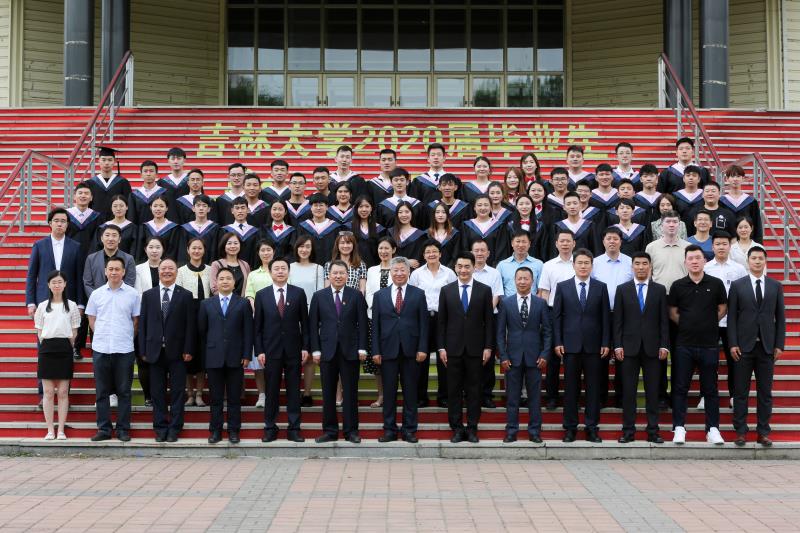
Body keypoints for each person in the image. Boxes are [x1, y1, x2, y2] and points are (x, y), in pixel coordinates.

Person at [668, 245, 728, 445]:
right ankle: (679, 427)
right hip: (684, 344)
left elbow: (722, 307)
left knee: (710, 389)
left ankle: (712, 429)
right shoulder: (678, 285)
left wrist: (708, 322)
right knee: (680, 388)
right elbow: (673, 312)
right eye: (690, 258)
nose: (694, 261)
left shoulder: (716, 284)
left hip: (709, 344)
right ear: (685, 262)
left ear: (704, 261)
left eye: (698, 258)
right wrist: (688, 324)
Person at [728, 246, 785, 447]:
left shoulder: (775, 286)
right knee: (740, 392)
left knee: (765, 393)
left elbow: (781, 318)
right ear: (748, 261)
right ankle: (740, 432)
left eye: (761, 258)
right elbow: (732, 317)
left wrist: (779, 344)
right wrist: (732, 343)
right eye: (754, 258)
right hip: (743, 347)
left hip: (767, 347)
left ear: (765, 261)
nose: (757, 261)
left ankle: (763, 432)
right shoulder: (738, 285)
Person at [553, 248, 611, 443]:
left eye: (587, 263)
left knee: (593, 389)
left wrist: (605, 342)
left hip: (594, 346)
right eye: (580, 263)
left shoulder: (601, 287)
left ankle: (591, 427)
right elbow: (557, 317)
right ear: (574, 265)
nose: (583, 266)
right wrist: (558, 341)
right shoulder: (563, 287)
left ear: (592, 266)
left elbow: (605, 317)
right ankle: (570, 428)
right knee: (571, 389)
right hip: (570, 346)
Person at [613, 252, 670, 444]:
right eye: (637, 264)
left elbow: (664, 320)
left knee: (652, 392)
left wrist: (664, 345)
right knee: (628, 392)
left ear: (650, 266)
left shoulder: (659, 290)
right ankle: (628, 431)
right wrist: (617, 345)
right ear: (632, 267)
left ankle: (653, 431)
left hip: (653, 348)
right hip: (628, 348)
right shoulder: (622, 289)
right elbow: (618, 320)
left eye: (645, 263)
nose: (641, 267)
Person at [437, 252, 494, 443]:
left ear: (473, 267)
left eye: (467, 266)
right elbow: (441, 322)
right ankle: (456, 428)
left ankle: (471, 428)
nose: (463, 270)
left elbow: (489, 321)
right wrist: (441, 348)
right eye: (460, 266)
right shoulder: (446, 291)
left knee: (474, 390)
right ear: (455, 268)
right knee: (453, 391)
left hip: (476, 349)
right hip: (452, 350)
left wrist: (488, 347)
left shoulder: (484, 290)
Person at [309, 260, 369, 443]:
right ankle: (330, 431)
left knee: (351, 392)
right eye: (335, 273)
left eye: (342, 273)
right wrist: (315, 350)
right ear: (329, 275)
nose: (338, 276)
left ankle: (351, 431)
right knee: (328, 393)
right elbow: (313, 326)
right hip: (326, 351)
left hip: (350, 350)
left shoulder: (356, 295)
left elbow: (363, 323)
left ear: (347, 275)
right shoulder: (319, 296)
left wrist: (362, 347)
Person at [371, 256, 428, 443]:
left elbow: (424, 324)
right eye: (396, 270)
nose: (399, 273)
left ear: (409, 272)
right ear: (390, 272)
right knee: (389, 393)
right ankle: (389, 430)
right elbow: (376, 325)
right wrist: (375, 350)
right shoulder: (379, 296)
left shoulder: (418, 294)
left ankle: (409, 430)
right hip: (387, 351)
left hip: (411, 351)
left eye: (403, 270)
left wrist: (423, 348)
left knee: (410, 393)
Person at [138, 259, 195, 442]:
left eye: (171, 268)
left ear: (176, 272)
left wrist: (188, 349)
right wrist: (143, 349)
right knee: (157, 393)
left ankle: (175, 428)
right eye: (164, 268)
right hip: (154, 352)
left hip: (178, 353)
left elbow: (190, 326)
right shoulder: (148, 295)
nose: (167, 271)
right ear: (158, 271)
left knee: (178, 392)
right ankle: (160, 428)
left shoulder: (185, 295)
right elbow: (143, 324)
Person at [85, 257, 140, 442]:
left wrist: (125, 336)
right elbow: (92, 320)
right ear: (105, 271)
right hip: (101, 348)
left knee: (124, 391)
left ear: (123, 272)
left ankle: (123, 429)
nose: (114, 272)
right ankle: (104, 429)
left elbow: (136, 321)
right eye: (111, 269)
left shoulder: (133, 294)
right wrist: (102, 335)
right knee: (102, 392)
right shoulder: (96, 294)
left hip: (124, 349)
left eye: (117, 269)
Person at [254, 257, 309, 443]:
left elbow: (305, 323)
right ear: (270, 272)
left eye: (283, 268)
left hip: (294, 350)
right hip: (270, 351)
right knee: (271, 391)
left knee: (294, 391)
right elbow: (257, 327)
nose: (280, 271)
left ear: (288, 271)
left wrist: (305, 347)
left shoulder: (298, 293)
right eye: (276, 268)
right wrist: (259, 350)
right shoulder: (262, 295)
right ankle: (270, 428)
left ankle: (294, 429)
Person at [496, 267, 552, 443]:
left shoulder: (541, 303)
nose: (522, 282)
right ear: (514, 280)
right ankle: (511, 431)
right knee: (512, 397)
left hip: (535, 357)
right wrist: (503, 356)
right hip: (512, 358)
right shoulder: (506, 303)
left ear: (532, 281)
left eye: (525, 278)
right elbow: (500, 333)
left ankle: (534, 431)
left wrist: (545, 354)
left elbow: (548, 332)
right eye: (519, 278)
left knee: (535, 398)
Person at [198, 267, 253, 444]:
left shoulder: (243, 303)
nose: (225, 281)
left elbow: (248, 331)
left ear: (234, 282)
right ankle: (215, 430)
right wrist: (204, 357)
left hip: (236, 357)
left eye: (228, 278)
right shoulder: (206, 304)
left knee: (234, 397)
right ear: (216, 282)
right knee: (215, 398)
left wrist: (247, 354)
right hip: (213, 356)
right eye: (221, 278)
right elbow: (202, 332)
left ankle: (233, 430)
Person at [26, 208, 85, 360]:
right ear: (50, 223)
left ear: (67, 225)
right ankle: (43, 375)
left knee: (68, 336)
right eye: (56, 221)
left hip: (69, 299)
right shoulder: (39, 245)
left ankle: (65, 373)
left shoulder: (76, 246)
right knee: (43, 338)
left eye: (63, 221)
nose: (60, 224)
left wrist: (80, 304)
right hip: (44, 299)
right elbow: (31, 275)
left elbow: (79, 277)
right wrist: (31, 302)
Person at [645, 209, 690, 408]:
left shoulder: (688, 247)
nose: (671, 225)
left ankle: (679, 394)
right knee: (659, 351)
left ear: (679, 225)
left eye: (675, 222)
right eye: (668, 222)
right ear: (661, 225)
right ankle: (661, 394)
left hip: (682, 303)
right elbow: (647, 275)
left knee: (680, 352)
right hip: (658, 301)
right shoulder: (652, 247)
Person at [409, 240, 457, 409]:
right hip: (422, 319)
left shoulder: (449, 273)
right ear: (423, 255)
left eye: (434, 251)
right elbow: (411, 297)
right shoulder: (416, 274)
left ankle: (444, 396)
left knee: (444, 359)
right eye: (428, 252)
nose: (431, 254)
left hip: (443, 319)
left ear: (440, 254)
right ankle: (420, 397)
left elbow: (454, 296)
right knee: (421, 359)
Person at [703, 231, 748, 410]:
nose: (721, 247)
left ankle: (734, 395)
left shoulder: (739, 269)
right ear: (712, 246)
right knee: (708, 361)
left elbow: (744, 295)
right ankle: (705, 395)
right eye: (718, 244)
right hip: (710, 322)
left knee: (734, 360)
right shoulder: (706, 268)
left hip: (732, 322)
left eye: (724, 244)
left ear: (730, 246)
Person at [34, 271, 81, 440]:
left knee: (62, 392)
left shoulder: (72, 306)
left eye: (60, 282)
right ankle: (50, 430)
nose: (57, 285)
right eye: (54, 282)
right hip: (47, 349)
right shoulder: (42, 306)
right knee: (48, 392)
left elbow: (74, 331)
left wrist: (67, 345)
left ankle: (60, 429)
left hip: (64, 348)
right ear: (48, 285)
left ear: (65, 284)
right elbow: (39, 331)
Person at [592, 227, 633, 407]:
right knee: (600, 356)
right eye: (608, 238)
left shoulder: (630, 262)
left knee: (622, 357)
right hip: (600, 315)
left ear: (621, 241)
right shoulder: (595, 263)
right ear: (603, 241)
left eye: (615, 238)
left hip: (624, 316)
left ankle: (621, 398)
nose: (612, 242)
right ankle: (600, 397)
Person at [537, 229, 576, 410]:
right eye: (562, 241)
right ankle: (552, 397)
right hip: (553, 313)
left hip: (575, 314)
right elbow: (544, 292)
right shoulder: (549, 265)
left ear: (574, 243)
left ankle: (572, 397)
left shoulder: (580, 262)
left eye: (568, 241)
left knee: (573, 358)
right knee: (552, 359)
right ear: (556, 244)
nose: (565, 244)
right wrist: (545, 317)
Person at [288, 236, 326, 407]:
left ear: (312, 249)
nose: (304, 250)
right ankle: (293, 391)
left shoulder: (318, 268)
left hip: (312, 315)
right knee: (294, 356)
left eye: (308, 246)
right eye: (301, 246)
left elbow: (319, 294)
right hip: (292, 315)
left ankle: (307, 393)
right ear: (296, 248)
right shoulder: (289, 267)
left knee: (309, 356)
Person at [175, 238, 212, 409]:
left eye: (200, 248)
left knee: (202, 357)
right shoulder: (181, 271)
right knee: (188, 355)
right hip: (187, 316)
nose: (196, 251)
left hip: (206, 315)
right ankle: (189, 394)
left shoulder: (210, 270)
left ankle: (199, 394)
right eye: (193, 248)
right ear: (188, 250)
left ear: (204, 250)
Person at [469, 240, 505, 408]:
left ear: (488, 253)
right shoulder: (465, 271)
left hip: (489, 319)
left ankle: (486, 395)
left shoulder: (494, 273)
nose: (479, 253)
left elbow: (497, 295)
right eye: (476, 250)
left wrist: (484, 313)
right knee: (469, 357)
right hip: (468, 321)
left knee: (488, 359)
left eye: (482, 250)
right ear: (471, 253)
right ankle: (470, 395)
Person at [364, 236, 396, 408]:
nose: (383, 251)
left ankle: (393, 395)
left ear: (393, 250)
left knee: (393, 358)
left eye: (387, 248)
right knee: (378, 360)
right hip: (373, 318)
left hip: (394, 319)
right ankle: (381, 395)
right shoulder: (371, 270)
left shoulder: (399, 269)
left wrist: (388, 310)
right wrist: (377, 309)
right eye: (381, 248)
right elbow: (369, 292)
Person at [133, 236, 164, 407]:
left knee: (162, 360)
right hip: (144, 317)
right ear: (145, 249)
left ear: (163, 250)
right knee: (143, 359)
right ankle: (148, 396)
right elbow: (137, 294)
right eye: (151, 247)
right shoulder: (138, 269)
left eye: (157, 247)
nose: (154, 250)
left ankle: (160, 394)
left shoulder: (168, 267)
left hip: (166, 318)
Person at [244, 240, 275, 409]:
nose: (266, 253)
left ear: (273, 251)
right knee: (258, 360)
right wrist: (257, 310)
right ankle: (262, 394)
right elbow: (249, 295)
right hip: (259, 319)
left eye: (268, 249)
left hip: (279, 321)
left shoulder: (280, 270)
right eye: (263, 250)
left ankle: (273, 392)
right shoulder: (253, 274)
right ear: (258, 253)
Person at [83, 146, 132, 222]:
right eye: (103, 160)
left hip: (117, 223)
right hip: (95, 223)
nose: (106, 163)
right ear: (98, 161)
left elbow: (128, 205)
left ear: (114, 161)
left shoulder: (123, 183)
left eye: (110, 160)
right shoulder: (90, 183)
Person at [461, 195, 511, 267]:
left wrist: (495, 268)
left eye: (486, 205)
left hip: (493, 268)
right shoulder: (466, 225)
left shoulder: (499, 225)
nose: (483, 208)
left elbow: (501, 250)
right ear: (474, 208)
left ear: (491, 207)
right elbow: (465, 248)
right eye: (479, 205)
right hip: (472, 268)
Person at [297, 193, 342, 266]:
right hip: (308, 266)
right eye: (315, 205)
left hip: (330, 267)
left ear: (327, 207)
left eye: (321, 205)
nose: (318, 208)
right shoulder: (303, 227)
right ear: (311, 208)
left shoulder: (335, 227)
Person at [720, 164, 762, 242]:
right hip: (726, 242)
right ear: (727, 179)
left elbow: (757, 225)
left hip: (747, 242)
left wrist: (758, 244)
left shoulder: (751, 201)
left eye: (738, 176)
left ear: (743, 178)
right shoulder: (721, 201)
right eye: (732, 176)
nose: (735, 179)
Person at [176, 194, 222, 265]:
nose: (201, 208)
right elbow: (182, 252)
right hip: (189, 268)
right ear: (193, 208)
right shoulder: (185, 228)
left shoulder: (215, 228)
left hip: (209, 267)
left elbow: (215, 252)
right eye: (198, 205)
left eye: (204, 206)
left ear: (209, 209)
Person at [497, 231, 543, 297]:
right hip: (508, 302)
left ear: (529, 244)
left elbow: (541, 290)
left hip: (532, 302)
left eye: (524, 242)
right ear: (512, 243)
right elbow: (498, 290)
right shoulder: (502, 265)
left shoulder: (539, 264)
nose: (521, 245)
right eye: (518, 241)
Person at [135, 196, 180, 262]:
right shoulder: (144, 227)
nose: (158, 209)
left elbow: (173, 250)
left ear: (166, 208)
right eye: (155, 206)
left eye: (161, 206)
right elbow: (140, 249)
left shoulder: (173, 228)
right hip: (147, 264)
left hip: (166, 265)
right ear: (151, 207)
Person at [66, 183, 102, 260]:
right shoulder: (66, 215)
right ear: (74, 196)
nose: (83, 195)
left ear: (91, 198)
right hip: (69, 254)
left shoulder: (96, 216)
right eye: (80, 193)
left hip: (90, 256)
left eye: (86, 193)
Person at [223, 197, 260, 267]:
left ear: (248, 210)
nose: (240, 211)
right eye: (237, 208)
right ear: (232, 211)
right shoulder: (225, 230)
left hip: (251, 268)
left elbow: (256, 255)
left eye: (243, 208)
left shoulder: (255, 231)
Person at [209, 233, 251, 297]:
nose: (232, 246)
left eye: (236, 243)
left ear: (240, 245)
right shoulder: (216, 264)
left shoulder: (245, 265)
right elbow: (214, 288)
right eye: (229, 243)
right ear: (224, 246)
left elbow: (248, 287)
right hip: (223, 301)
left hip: (242, 302)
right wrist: (229, 299)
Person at [128, 160, 169, 225]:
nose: (148, 174)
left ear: (156, 174)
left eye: (151, 171)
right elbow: (132, 218)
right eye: (145, 171)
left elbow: (169, 216)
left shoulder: (165, 193)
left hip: (160, 229)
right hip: (140, 230)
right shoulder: (134, 195)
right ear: (141, 175)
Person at [388, 202, 427, 269]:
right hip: (394, 271)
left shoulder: (420, 235)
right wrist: (405, 261)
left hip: (414, 271)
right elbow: (387, 254)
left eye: (407, 212)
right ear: (397, 215)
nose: (404, 215)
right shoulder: (390, 232)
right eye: (400, 212)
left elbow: (421, 258)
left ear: (412, 214)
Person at [352, 195, 384, 268]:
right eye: (361, 206)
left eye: (367, 206)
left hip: (374, 267)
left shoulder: (379, 229)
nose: (364, 209)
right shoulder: (349, 227)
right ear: (356, 209)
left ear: (371, 208)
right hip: (354, 267)